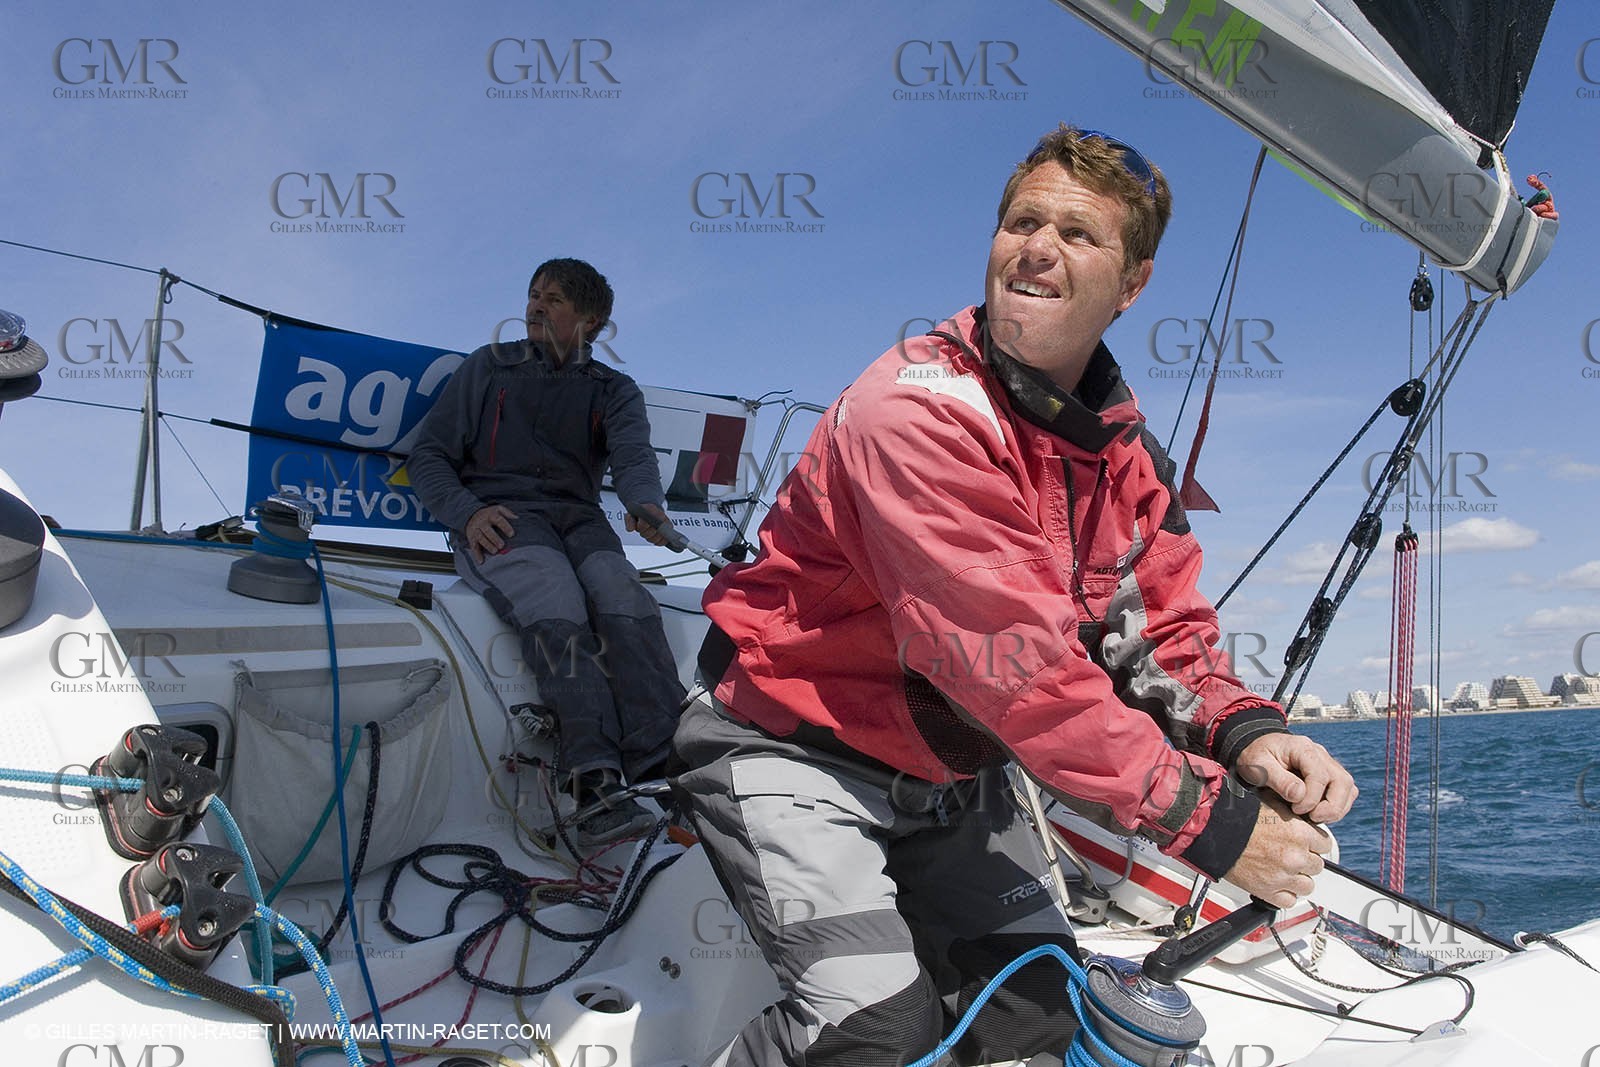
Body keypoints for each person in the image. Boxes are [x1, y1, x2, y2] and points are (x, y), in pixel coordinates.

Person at [670, 126, 1358, 1066]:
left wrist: (1246, 732)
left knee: (1040, 1015)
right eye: (1021, 222)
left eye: (1078, 234)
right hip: (790, 748)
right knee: (873, 1032)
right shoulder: (912, 410)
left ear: (1134, 283)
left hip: (949, 775)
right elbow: (1017, 669)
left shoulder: (1127, 459)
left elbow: (1161, 631)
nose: (1037, 246)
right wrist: (1218, 822)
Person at [408, 258, 686, 846]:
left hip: (579, 519)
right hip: (502, 516)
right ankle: (593, 778)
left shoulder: (613, 389)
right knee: (554, 592)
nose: (534, 306)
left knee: (619, 590)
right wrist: (467, 513)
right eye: (533, 294)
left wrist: (646, 505)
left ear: (590, 322)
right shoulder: (488, 367)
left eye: (553, 299)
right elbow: (428, 457)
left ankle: (665, 767)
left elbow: (634, 457)